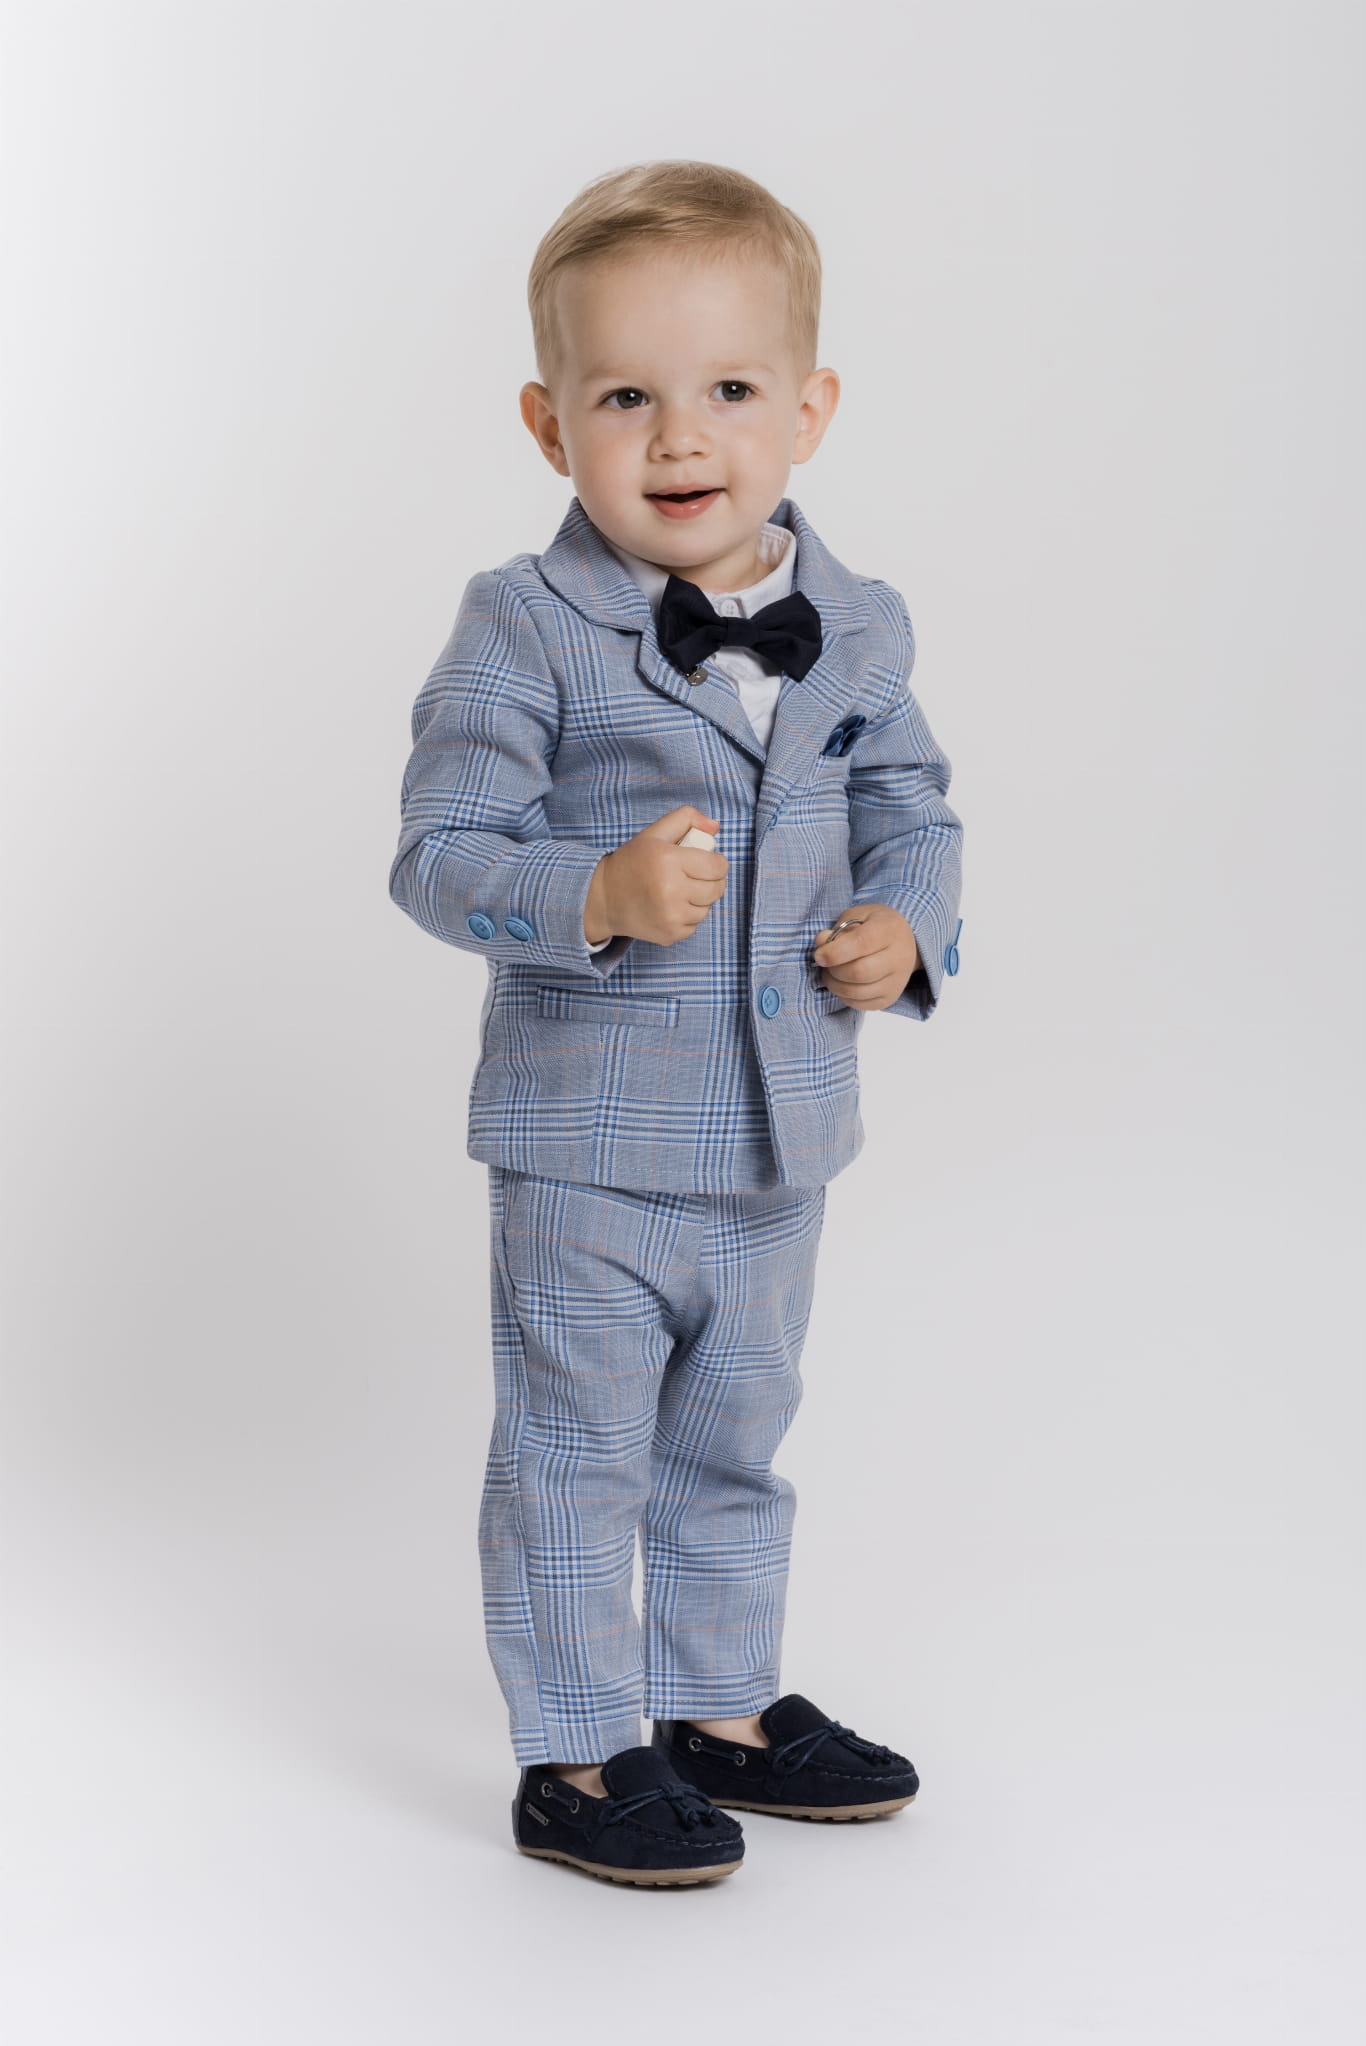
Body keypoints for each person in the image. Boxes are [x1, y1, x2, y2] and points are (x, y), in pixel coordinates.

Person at [389, 160, 963, 1887]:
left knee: (733, 1440)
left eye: (726, 389)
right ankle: (578, 1750)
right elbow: (437, 852)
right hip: (586, 1148)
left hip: (782, 1138)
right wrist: (593, 893)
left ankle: (719, 1706)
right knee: (577, 1458)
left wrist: (904, 929)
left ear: (809, 409)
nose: (680, 435)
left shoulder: (859, 622)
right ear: (548, 423)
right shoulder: (523, 623)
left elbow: (915, 811)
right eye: (625, 396)